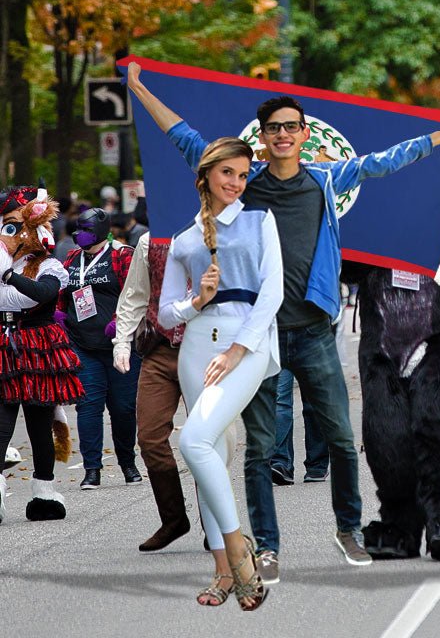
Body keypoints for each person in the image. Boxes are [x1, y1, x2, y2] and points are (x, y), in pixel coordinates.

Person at [127, 60, 440, 580]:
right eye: (273, 129)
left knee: (338, 436)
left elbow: (385, 161)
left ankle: (348, 530)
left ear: (305, 135)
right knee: (261, 448)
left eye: (292, 127)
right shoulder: (244, 185)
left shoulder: (327, 181)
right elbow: (185, 138)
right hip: (258, 336)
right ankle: (266, 547)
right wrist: (138, 88)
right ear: (261, 139)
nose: (283, 135)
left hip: (313, 332)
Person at [159, 136, 280, 609]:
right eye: (228, 172)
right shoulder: (185, 240)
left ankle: (239, 554)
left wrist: (237, 349)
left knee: (193, 440)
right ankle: (222, 573)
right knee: (210, 454)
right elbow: (166, 314)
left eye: (243, 174)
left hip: (244, 344)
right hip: (195, 347)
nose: (236, 182)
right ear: (207, 174)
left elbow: (272, 292)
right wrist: (197, 301)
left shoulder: (259, 220)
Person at [0, 185, 81, 523]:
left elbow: (41, 295)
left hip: (37, 348)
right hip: (4, 346)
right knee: (2, 426)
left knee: (39, 425)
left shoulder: (49, 266)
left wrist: (7, 277)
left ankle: (44, 492)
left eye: (15, 226)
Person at [112, 232, 192, 551]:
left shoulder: (221, 231)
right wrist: (121, 342)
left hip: (203, 350)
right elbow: (134, 295)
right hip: (159, 351)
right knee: (149, 436)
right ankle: (173, 518)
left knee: (206, 439)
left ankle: (217, 522)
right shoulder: (149, 241)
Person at [60, 208, 141, 490]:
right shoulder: (72, 258)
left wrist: (120, 323)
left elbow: (137, 294)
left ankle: (128, 463)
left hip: (121, 345)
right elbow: (63, 293)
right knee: (88, 407)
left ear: (100, 229)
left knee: (123, 408)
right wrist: (60, 315)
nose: (78, 233)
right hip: (83, 345)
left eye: (85, 228)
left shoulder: (122, 255)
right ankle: (92, 468)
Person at [270, 366, 329, 485]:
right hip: (281, 348)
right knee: (280, 400)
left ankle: (317, 466)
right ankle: (281, 463)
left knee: (313, 403)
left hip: (312, 348)